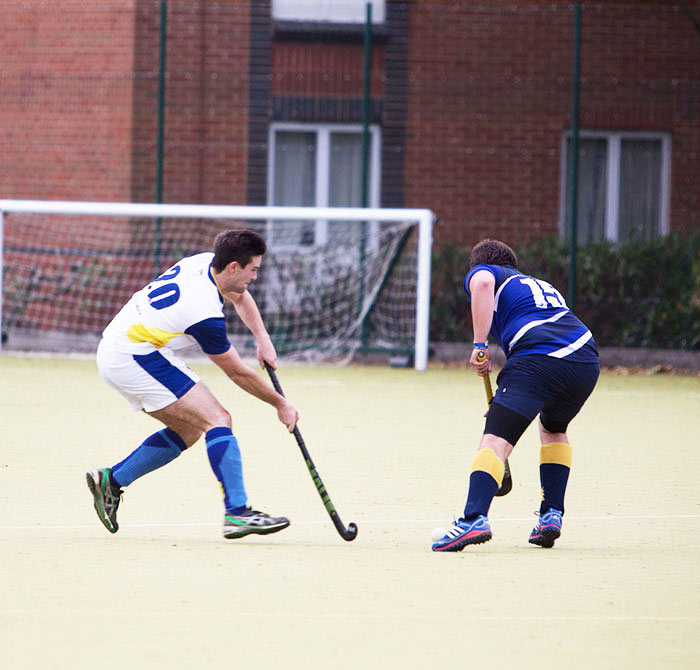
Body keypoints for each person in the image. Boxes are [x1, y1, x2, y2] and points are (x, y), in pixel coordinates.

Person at [87, 229, 299, 540]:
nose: (254, 276)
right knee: (218, 419)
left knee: (189, 429)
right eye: (253, 269)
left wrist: (263, 339)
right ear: (233, 267)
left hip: (130, 348)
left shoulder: (205, 263)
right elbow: (237, 373)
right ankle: (237, 513)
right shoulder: (203, 313)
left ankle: (112, 481)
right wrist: (281, 404)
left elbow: (240, 294)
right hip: (134, 356)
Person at [432, 239, 599, 552]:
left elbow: (482, 282)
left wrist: (479, 345)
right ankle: (551, 515)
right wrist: (505, 401)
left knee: (495, 439)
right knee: (553, 428)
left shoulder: (485, 272)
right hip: (585, 359)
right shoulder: (539, 285)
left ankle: (473, 519)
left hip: (539, 359)